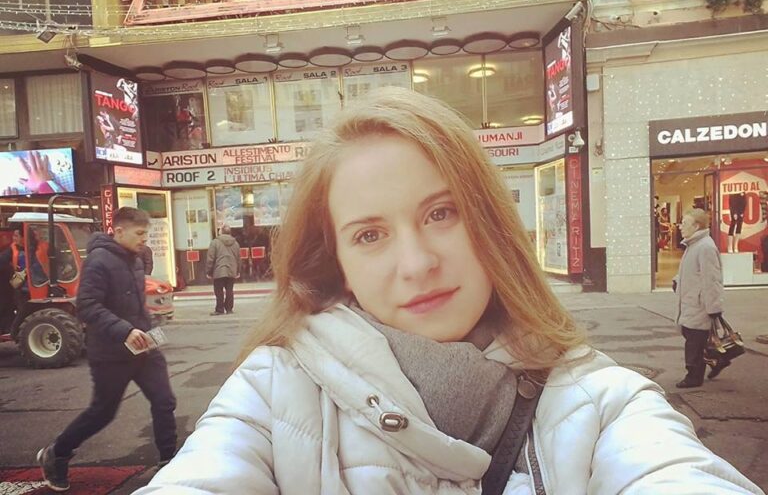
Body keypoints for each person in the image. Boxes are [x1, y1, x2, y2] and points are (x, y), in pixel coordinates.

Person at [134, 88, 762, 494]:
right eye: (370, 235)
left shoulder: (602, 402)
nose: (416, 263)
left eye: (442, 213)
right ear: (337, 263)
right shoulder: (271, 396)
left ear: (489, 220)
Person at [38, 207, 177, 492]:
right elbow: (87, 305)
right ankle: (57, 453)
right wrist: (124, 330)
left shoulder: (135, 259)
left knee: (164, 401)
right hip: (110, 352)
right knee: (103, 411)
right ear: (120, 231)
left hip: (143, 348)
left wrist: (151, 333)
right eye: (140, 233)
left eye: (146, 233)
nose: (144, 239)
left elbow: (137, 306)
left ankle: (169, 462)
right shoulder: (99, 261)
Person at [673, 208, 728, 388]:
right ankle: (717, 359)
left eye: (685, 223)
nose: (680, 226)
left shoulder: (705, 247)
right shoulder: (693, 245)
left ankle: (693, 377)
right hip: (691, 301)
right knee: (692, 336)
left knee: (694, 341)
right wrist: (677, 280)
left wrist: (714, 308)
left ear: (696, 226)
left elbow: (712, 279)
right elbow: (691, 271)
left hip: (700, 304)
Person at [205, 225, 240, 315]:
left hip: (219, 270)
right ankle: (229, 309)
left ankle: (220, 309)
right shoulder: (235, 243)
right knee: (229, 290)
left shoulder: (215, 243)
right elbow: (238, 258)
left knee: (219, 291)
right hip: (231, 270)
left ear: (221, 232)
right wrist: (238, 271)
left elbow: (210, 258)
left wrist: (209, 271)